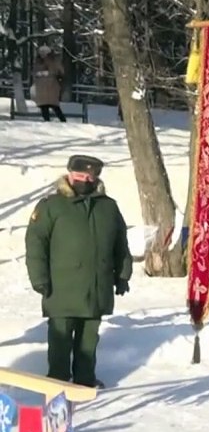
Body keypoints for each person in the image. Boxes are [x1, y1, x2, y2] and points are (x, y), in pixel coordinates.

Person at [25, 155, 131, 388]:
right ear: (70, 174)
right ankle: (58, 381)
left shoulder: (108, 207)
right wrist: (39, 278)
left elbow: (120, 243)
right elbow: (35, 243)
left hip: (96, 286)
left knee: (89, 339)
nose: (84, 179)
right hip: (61, 286)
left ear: (96, 178)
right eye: (80, 175)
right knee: (60, 338)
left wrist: (123, 274)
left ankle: (84, 380)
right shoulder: (51, 206)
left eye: (89, 176)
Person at [32, 45, 66, 123]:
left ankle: (63, 121)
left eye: (44, 52)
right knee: (44, 106)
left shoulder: (53, 61)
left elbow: (60, 71)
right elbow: (34, 72)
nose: (42, 54)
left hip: (52, 86)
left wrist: (50, 73)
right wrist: (38, 74)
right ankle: (47, 122)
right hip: (41, 87)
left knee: (54, 105)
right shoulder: (38, 61)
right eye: (41, 52)